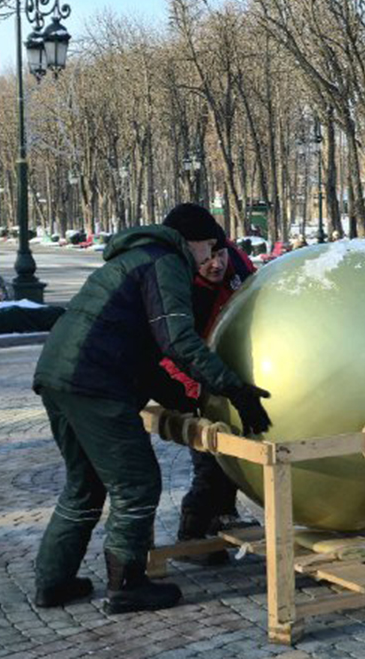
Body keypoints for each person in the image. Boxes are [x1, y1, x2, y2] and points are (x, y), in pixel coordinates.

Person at [32, 203, 272, 614]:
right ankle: (127, 586)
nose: (213, 256)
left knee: (84, 485)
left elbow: (143, 350)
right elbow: (176, 340)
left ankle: (54, 582)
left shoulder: (138, 257)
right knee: (137, 484)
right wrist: (236, 389)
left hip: (59, 374)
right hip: (95, 382)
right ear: (192, 240)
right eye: (210, 245)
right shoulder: (166, 262)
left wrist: (188, 399)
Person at [161, 233, 257, 564]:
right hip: (195, 382)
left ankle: (222, 518)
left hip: (231, 379)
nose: (215, 264)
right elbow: (171, 348)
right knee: (209, 462)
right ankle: (190, 534)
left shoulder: (240, 265)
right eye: (206, 258)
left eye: (220, 255)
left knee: (232, 454)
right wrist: (194, 390)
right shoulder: (179, 287)